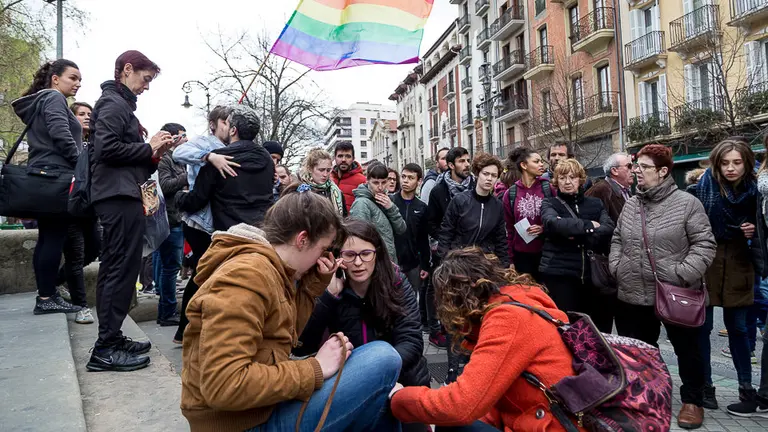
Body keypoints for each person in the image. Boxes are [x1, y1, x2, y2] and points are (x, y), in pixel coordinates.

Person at [180, 185, 403, 432]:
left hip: (257, 411)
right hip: (243, 424)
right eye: (323, 248)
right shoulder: (246, 276)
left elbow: (285, 336)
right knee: (383, 357)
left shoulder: (272, 270)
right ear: (302, 239)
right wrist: (314, 368)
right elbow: (223, 385)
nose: (325, 257)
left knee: (378, 398)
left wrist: (313, 284)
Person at [389, 247, 584, 432]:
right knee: (453, 422)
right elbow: (489, 398)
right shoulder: (520, 300)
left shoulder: (507, 319)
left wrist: (399, 398)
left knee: (452, 424)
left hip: (556, 423)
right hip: (551, 418)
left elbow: (461, 405)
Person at [609, 144, 716, 429]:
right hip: (632, 291)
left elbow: (705, 244)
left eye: (643, 167)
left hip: (675, 292)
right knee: (640, 351)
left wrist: (682, 274)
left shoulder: (687, 203)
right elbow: (618, 238)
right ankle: (647, 397)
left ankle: (693, 401)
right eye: (635, 166)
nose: (636, 172)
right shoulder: (632, 203)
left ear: (663, 171)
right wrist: (617, 266)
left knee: (687, 350)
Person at [87, 50, 173, 372]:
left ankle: (112, 336)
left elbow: (124, 156)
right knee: (119, 269)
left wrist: (155, 153)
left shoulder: (120, 105)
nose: (146, 87)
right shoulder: (112, 103)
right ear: (127, 70)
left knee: (120, 268)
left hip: (122, 192)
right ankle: (106, 347)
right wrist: (147, 147)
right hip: (116, 195)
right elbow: (105, 149)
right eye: (145, 79)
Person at [294, 219, 430, 391]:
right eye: (350, 255)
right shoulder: (330, 290)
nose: (358, 263)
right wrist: (328, 297)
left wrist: (374, 374)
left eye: (365, 253)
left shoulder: (396, 282)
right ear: (339, 257)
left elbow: (411, 340)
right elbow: (303, 346)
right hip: (352, 390)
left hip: (402, 383)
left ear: (377, 254)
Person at [690, 139, 768, 417]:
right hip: (707, 260)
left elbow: (763, 226)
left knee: (739, 330)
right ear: (716, 163)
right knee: (702, 328)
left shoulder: (756, 190)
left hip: (740, 261)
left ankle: (746, 388)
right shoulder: (702, 187)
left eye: (737, 162)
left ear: (747, 163)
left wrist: (753, 228)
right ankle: (705, 386)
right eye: (725, 163)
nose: (731, 168)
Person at [11, 59, 89, 320]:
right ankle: (46, 297)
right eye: (73, 78)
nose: (78, 83)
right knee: (53, 237)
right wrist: (81, 165)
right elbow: (61, 134)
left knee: (48, 237)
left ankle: (46, 294)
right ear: (55, 79)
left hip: (44, 175)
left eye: (79, 79)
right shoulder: (54, 99)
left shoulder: (43, 101)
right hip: (55, 176)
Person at [171, 105, 234, 344]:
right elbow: (179, 153)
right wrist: (209, 156)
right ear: (214, 124)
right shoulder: (204, 143)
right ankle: (185, 329)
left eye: (232, 123)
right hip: (199, 221)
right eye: (225, 122)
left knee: (208, 273)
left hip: (218, 221)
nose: (229, 127)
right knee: (202, 272)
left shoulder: (233, 147)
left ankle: (197, 327)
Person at [539, 159, 614, 332]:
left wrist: (572, 232)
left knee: (594, 328)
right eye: (563, 177)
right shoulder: (550, 203)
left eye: (572, 177)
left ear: (580, 179)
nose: (567, 182)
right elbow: (553, 224)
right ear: (556, 180)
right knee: (564, 328)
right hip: (560, 274)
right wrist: (589, 226)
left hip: (591, 275)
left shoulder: (595, 203)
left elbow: (608, 227)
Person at [176, 105, 274, 231]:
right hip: (261, 230)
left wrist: (179, 197)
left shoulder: (218, 158)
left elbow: (197, 199)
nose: (224, 128)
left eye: (226, 124)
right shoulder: (267, 158)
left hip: (229, 234)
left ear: (233, 130)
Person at [438, 153, 509, 268]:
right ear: (477, 174)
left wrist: (504, 266)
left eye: (494, 175)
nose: (489, 179)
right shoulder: (459, 201)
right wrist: (445, 261)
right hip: (458, 262)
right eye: (485, 174)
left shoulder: (497, 206)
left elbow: (500, 239)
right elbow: (446, 233)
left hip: (484, 264)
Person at [392, 163, 433, 335]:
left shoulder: (422, 207)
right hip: (392, 261)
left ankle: (409, 335)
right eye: (404, 177)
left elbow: (424, 239)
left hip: (413, 263)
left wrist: (425, 265)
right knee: (392, 301)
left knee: (410, 301)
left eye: (410, 178)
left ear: (419, 181)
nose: (406, 181)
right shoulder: (391, 201)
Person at [154, 122, 188, 326]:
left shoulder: (177, 159)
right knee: (171, 267)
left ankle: (165, 308)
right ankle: (167, 311)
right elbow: (165, 186)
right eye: (183, 135)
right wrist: (188, 175)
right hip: (169, 218)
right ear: (173, 137)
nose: (186, 139)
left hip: (176, 218)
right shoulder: (165, 160)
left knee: (167, 264)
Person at [502, 147, 553, 282]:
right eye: (536, 161)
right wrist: (510, 259)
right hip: (521, 257)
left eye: (541, 161)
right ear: (524, 165)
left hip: (547, 253)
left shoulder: (548, 188)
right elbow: (508, 229)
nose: (541, 164)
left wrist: (543, 228)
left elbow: (558, 219)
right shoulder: (510, 194)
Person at [349, 163, 406, 263]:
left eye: (384, 182)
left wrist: (391, 208)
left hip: (389, 261)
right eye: (375, 183)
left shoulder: (387, 200)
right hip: (376, 263)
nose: (380, 187)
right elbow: (360, 240)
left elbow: (401, 229)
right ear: (367, 181)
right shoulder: (361, 204)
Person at [585, 152, 634, 223]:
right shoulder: (601, 190)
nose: (633, 170)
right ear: (614, 171)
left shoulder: (627, 191)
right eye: (629, 166)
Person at [298, 148, 347, 216]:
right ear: (310, 169)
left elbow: (344, 218)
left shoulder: (336, 191)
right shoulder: (300, 191)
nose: (325, 174)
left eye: (328, 170)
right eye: (321, 170)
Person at [331, 141, 367, 212]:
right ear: (334, 158)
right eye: (340, 156)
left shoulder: (362, 181)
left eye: (348, 156)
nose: (344, 160)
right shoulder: (328, 179)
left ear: (353, 158)